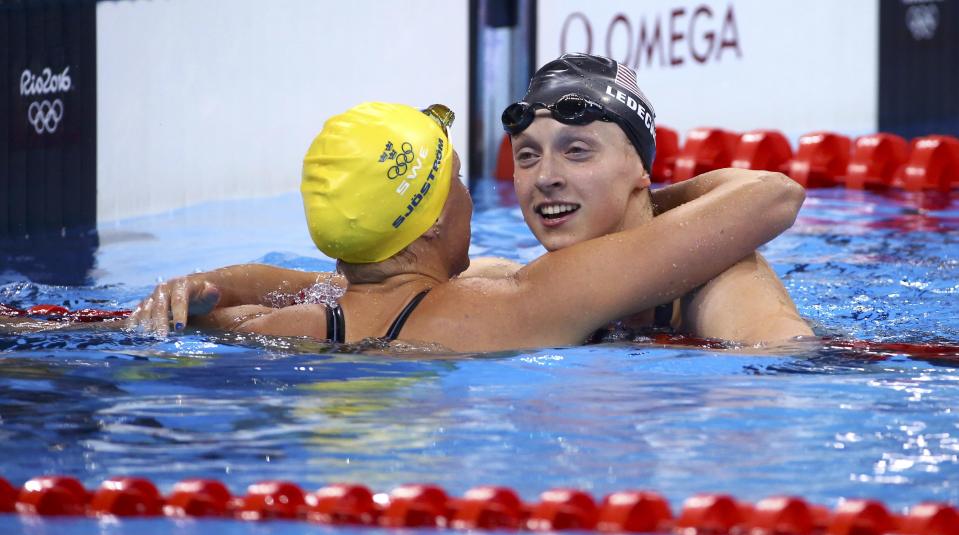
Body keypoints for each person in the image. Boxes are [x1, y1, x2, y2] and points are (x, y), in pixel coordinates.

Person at [127, 101, 805, 352]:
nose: (471, 199)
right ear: (426, 224)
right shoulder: (522, 299)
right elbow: (768, 198)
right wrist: (643, 194)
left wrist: (197, 286)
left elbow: (286, 284)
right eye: (453, 183)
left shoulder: (301, 320)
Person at [477, 53, 813, 343]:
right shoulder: (522, 289)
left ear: (640, 167)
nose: (545, 178)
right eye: (527, 156)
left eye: (577, 151)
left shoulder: (719, 281)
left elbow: (785, 365)